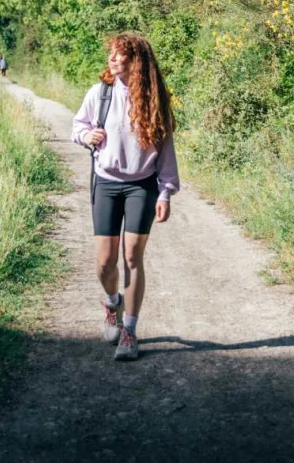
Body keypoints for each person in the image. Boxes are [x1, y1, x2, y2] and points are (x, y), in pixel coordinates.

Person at [71, 33, 180, 361]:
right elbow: (76, 128)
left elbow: (166, 149)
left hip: (141, 186)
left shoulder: (155, 98)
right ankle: (111, 303)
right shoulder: (99, 93)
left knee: (133, 256)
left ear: (138, 62)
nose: (114, 59)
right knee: (105, 261)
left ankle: (130, 332)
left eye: (122, 56)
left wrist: (166, 192)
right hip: (105, 183)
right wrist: (87, 135)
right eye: (112, 55)